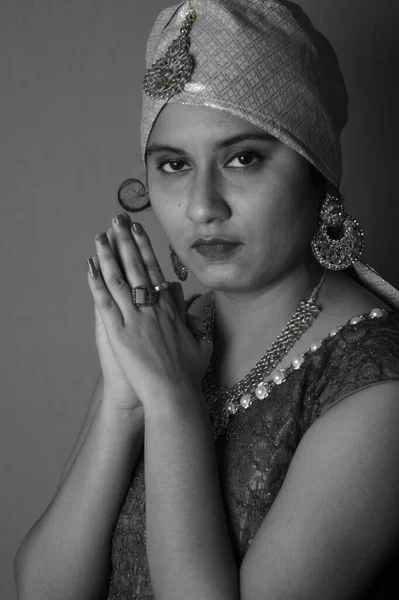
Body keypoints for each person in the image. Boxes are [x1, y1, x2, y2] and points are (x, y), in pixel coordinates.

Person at [14, 1, 399, 599]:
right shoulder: (172, 330)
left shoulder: (379, 388)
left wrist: (173, 406)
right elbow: (43, 590)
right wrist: (122, 403)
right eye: (173, 164)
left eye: (243, 159)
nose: (201, 206)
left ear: (316, 171)